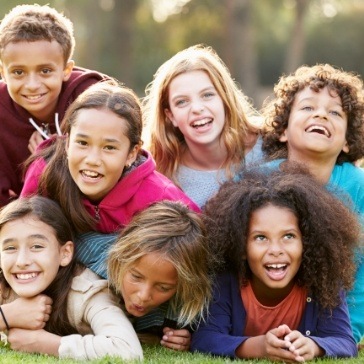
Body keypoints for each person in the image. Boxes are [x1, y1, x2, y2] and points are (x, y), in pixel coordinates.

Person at [21, 81, 199, 277]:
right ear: (67, 141)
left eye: (109, 147)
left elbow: (198, 249)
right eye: (82, 143)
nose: (92, 160)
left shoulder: (160, 196)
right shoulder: (45, 172)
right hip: (58, 279)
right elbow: (20, 237)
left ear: (132, 153)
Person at [191, 167, 359, 361]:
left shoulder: (322, 281)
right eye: (261, 238)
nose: (276, 250)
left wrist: (313, 346)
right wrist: (261, 347)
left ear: (307, 241)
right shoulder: (226, 280)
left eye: (288, 236)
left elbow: (345, 342)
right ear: (241, 246)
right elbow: (205, 339)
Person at [260, 63, 364, 344]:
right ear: (283, 130)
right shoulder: (261, 180)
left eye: (334, 112)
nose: (321, 114)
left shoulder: (358, 187)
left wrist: (349, 332)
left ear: (346, 141)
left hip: (334, 313)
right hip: (268, 310)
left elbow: (362, 269)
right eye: (307, 108)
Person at [0, 196, 143, 360]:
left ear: (65, 253)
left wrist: (45, 343)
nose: (22, 261)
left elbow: (128, 351)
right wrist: (6, 315)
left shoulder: (87, 291)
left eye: (37, 246)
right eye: (10, 248)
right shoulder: (3, 284)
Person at [0, 4, 109, 206]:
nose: (32, 85)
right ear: (3, 72)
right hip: (32, 217)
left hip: (98, 213)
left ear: (66, 69)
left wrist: (51, 160)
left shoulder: (95, 98)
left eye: (45, 71)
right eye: (18, 72)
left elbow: (116, 172)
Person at [142, 44, 263, 208]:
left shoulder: (267, 145)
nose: (197, 108)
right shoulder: (161, 176)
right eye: (182, 102)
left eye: (207, 95)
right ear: (171, 116)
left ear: (224, 99)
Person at [108, 200, 212, 352]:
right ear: (120, 259)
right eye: (136, 277)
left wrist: (185, 339)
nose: (144, 296)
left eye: (163, 288)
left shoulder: (181, 309)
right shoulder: (94, 256)